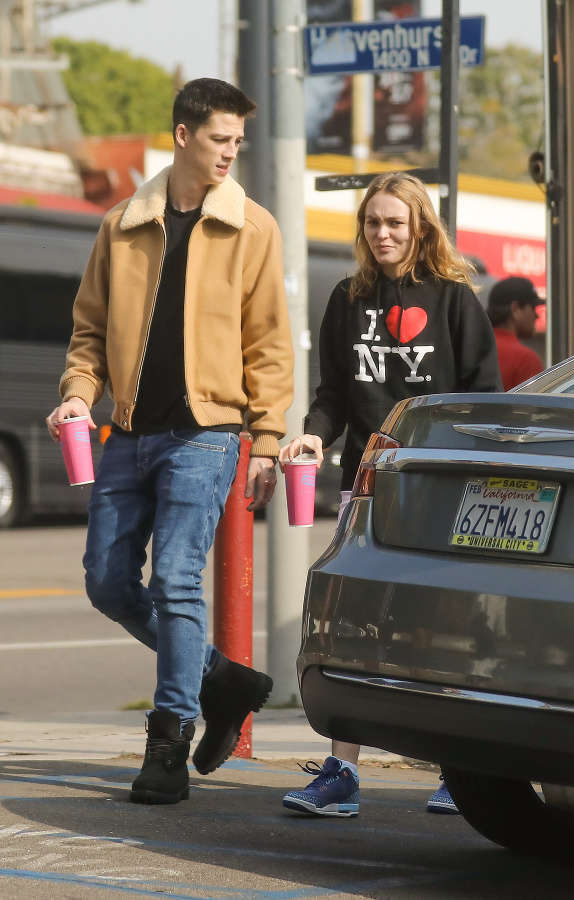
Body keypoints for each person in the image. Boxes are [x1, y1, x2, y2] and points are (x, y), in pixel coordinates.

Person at [46, 78, 294, 806]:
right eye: (221, 139)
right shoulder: (122, 224)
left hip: (208, 434)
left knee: (177, 579)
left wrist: (269, 439)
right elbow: (88, 333)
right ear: (184, 135)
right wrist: (75, 395)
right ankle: (222, 678)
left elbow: (270, 346)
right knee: (106, 582)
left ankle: (168, 741)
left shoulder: (253, 228)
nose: (231, 154)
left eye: (239, 143)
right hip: (125, 432)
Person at [278, 171, 502, 818]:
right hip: (368, 484)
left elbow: (483, 394)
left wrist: (465, 467)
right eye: (373, 222)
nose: (382, 233)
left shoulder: (454, 298)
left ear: (420, 227)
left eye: (395, 222)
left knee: (442, 624)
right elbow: (332, 397)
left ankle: (460, 771)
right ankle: (342, 773)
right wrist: (313, 438)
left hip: (440, 484)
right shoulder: (346, 299)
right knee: (352, 621)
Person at [487, 276, 544, 390]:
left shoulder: (471, 350)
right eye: (533, 307)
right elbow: (535, 407)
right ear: (515, 309)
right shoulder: (525, 359)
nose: (536, 315)